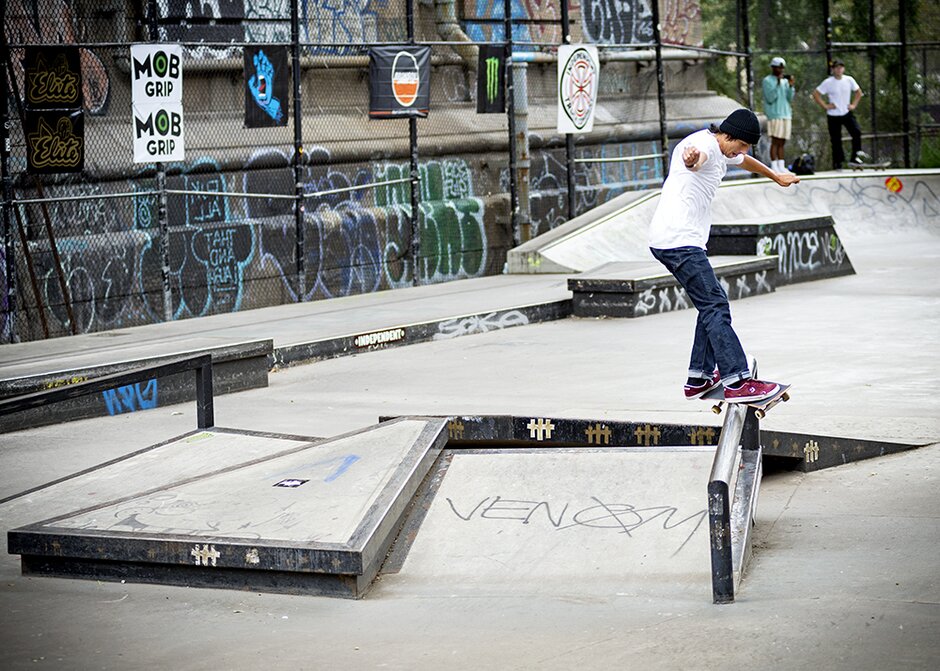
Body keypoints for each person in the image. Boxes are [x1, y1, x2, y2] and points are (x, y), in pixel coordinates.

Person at [647, 109, 800, 404]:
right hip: (679, 241)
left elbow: (746, 161)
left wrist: (775, 176)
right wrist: (693, 161)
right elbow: (696, 160)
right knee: (716, 305)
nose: (741, 153)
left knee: (709, 304)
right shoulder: (703, 147)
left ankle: (699, 378)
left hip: (675, 240)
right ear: (728, 136)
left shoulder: (725, 147)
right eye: (741, 145)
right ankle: (737, 380)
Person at [812, 59, 863, 170]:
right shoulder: (828, 82)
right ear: (833, 69)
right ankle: (838, 162)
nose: (839, 70)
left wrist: (853, 105)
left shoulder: (849, 80)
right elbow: (816, 94)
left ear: (843, 69)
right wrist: (825, 106)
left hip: (846, 112)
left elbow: (859, 92)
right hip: (833, 115)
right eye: (836, 68)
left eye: (840, 67)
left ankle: (855, 157)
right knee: (836, 139)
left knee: (856, 132)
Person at [762, 56, 795, 174]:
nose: (780, 70)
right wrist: (777, 83)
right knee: (775, 141)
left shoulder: (785, 82)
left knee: (782, 141)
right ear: (773, 68)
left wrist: (791, 86)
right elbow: (770, 98)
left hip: (786, 114)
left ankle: (781, 165)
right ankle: (773, 165)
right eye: (778, 68)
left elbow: (789, 98)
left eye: (782, 68)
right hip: (775, 114)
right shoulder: (767, 81)